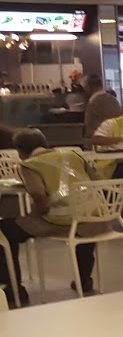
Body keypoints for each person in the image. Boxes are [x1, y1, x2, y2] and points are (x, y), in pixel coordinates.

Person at [1, 128, 106, 305]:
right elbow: (96, 181)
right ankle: (84, 279)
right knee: (81, 222)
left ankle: (14, 289)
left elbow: (40, 197)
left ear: (20, 151)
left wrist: (31, 217)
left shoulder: (30, 165)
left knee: (5, 231)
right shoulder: (74, 155)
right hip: (94, 217)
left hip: (60, 220)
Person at [82, 74, 120, 140]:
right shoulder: (114, 100)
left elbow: (90, 127)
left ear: (88, 86)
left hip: (100, 141)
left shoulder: (93, 102)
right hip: (116, 138)